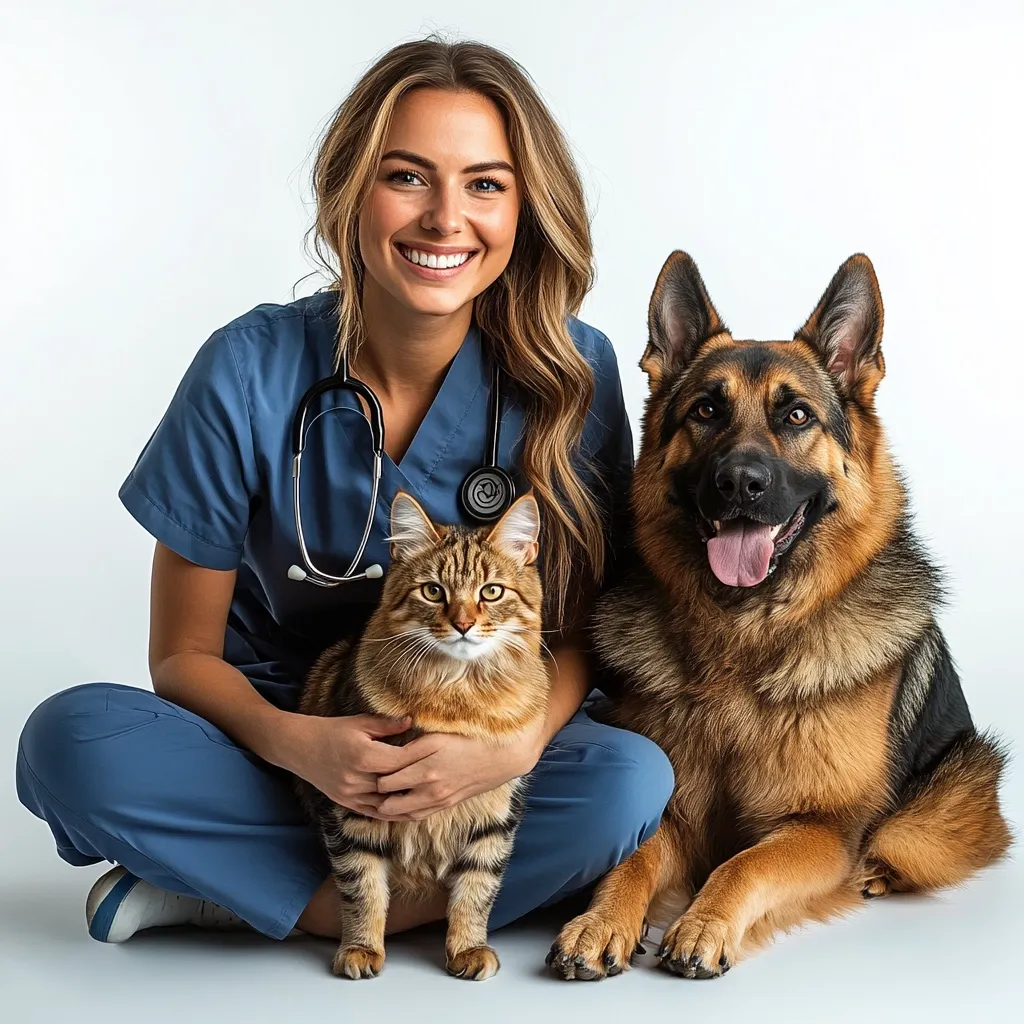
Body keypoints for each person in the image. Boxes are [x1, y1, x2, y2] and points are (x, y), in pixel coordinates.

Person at [16, 37, 673, 946]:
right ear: (350, 190)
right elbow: (181, 656)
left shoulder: (572, 370)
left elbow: (590, 623)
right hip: (278, 740)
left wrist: (512, 747)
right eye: (408, 177)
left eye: (485, 183)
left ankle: (227, 893)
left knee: (632, 781)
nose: (446, 219)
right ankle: (360, 905)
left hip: (482, 741)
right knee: (68, 743)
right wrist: (300, 744)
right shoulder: (246, 368)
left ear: (525, 208)